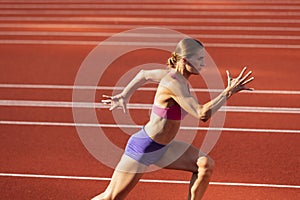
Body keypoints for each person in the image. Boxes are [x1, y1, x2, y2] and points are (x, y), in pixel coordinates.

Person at [93, 38, 254, 200]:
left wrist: (124, 95)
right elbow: (202, 114)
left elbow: (144, 74)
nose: (203, 64)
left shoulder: (172, 76)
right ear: (184, 60)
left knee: (204, 165)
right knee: (111, 197)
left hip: (164, 148)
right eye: (199, 59)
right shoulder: (173, 83)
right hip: (145, 147)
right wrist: (228, 92)